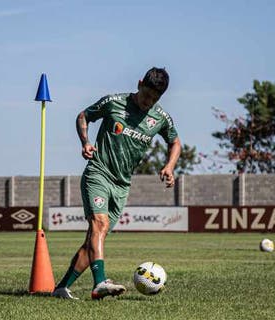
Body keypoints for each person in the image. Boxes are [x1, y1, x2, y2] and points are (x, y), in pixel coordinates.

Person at [52, 67, 181, 299]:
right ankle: (100, 282)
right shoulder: (114, 102)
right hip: (99, 173)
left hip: (122, 185)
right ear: (139, 83)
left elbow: (175, 142)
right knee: (99, 225)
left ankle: (61, 288)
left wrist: (169, 166)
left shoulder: (160, 117)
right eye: (146, 95)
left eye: (154, 98)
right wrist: (85, 142)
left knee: (94, 238)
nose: (148, 102)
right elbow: (83, 116)